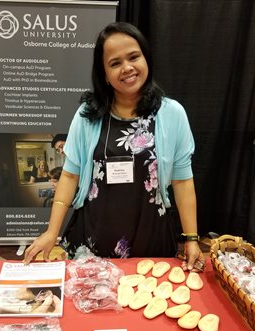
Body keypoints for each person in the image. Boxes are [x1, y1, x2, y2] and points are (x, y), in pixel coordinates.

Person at [24, 22, 204, 272]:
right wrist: (51, 232)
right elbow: (69, 175)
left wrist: (192, 238)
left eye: (133, 57)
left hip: (151, 238)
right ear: (104, 74)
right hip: (94, 239)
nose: (127, 68)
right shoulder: (88, 115)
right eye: (115, 63)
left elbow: (183, 181)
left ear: (146, 58)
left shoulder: (172, 114)